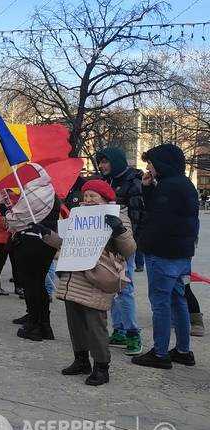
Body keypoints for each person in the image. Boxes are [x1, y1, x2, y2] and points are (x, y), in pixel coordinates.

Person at [52, 179, 134, 386]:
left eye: (93, 196)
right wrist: (46, 236)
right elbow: (66, 242)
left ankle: (101, 366)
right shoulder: (77, 216)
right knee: (75, 323)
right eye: (86, 196)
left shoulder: (117, 217)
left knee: (95, 325)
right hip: (73, 276)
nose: (87, 200)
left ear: (105, 199)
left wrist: (119, 231)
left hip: (97, 277)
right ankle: (81, 360)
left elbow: (130, 249)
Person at [132, 143, 198, 370]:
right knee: (178, 300)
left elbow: (157, 221)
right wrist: (149, 189)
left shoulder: (168, 187)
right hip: (181, 254)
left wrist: (142, 243)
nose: (148, 167)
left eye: (151, 162)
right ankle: (183, 350)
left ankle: (160, 353)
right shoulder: (184, 184)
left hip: (163, 254)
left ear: (162, 163)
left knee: (160, 303)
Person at [95, 147, 145, 355]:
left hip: (124, 242)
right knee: (111, 287)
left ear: (115, 162)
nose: (102, 166)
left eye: (106, 162)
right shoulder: (105, 181)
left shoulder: (133, 182)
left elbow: (137, 215)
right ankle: (119, 330)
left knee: (125, 289)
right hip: (106, 243)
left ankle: (133, 334)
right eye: (101, 162)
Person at [6, 166, 62, 341]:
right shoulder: (51, 192)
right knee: (40, 284)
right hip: (48, 244)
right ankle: (45, 325)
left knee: (31, 285)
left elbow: (16, 220)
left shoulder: (33, 194)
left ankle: (34, 326)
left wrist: (4, 210)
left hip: (31, 243)